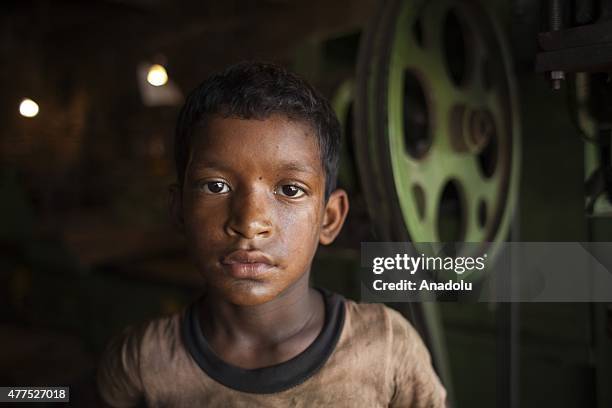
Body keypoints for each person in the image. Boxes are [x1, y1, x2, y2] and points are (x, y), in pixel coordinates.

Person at [96, 61, 447, 407]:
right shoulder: (142, 362)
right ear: (179, 209)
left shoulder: (386, 349)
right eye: (216, 186)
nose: (249, 223)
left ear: (329, 218)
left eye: (291, 190)